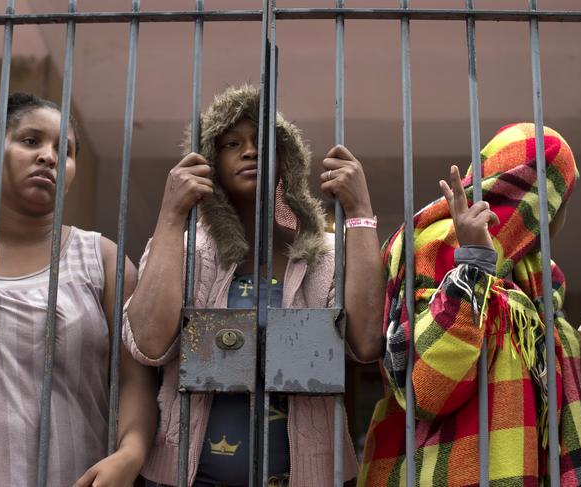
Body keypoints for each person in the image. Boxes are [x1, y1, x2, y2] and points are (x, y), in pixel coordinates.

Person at [122, 84, 386, 486]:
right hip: (186, 479)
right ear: (211, 160)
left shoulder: (327, 255)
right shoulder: (185, 248)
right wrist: (172, 216)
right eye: (232, 143)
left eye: (263, 142)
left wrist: (360, 211)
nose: (250, 151)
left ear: (286, 160)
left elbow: (366, 345)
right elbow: (148, 344)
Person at [0, 92, 157, 486]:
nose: (49, 156)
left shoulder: (103, 260)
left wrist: (130, 452)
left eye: (65, 150)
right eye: (30, 141)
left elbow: (137, 379)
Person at [358, 123, 581, 485]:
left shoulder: (534, 271)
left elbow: (530, 367)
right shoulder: (439, 243)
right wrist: (473, 265)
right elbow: (427, 389)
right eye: (562, 195)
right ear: (536, 194)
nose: (563, 213)